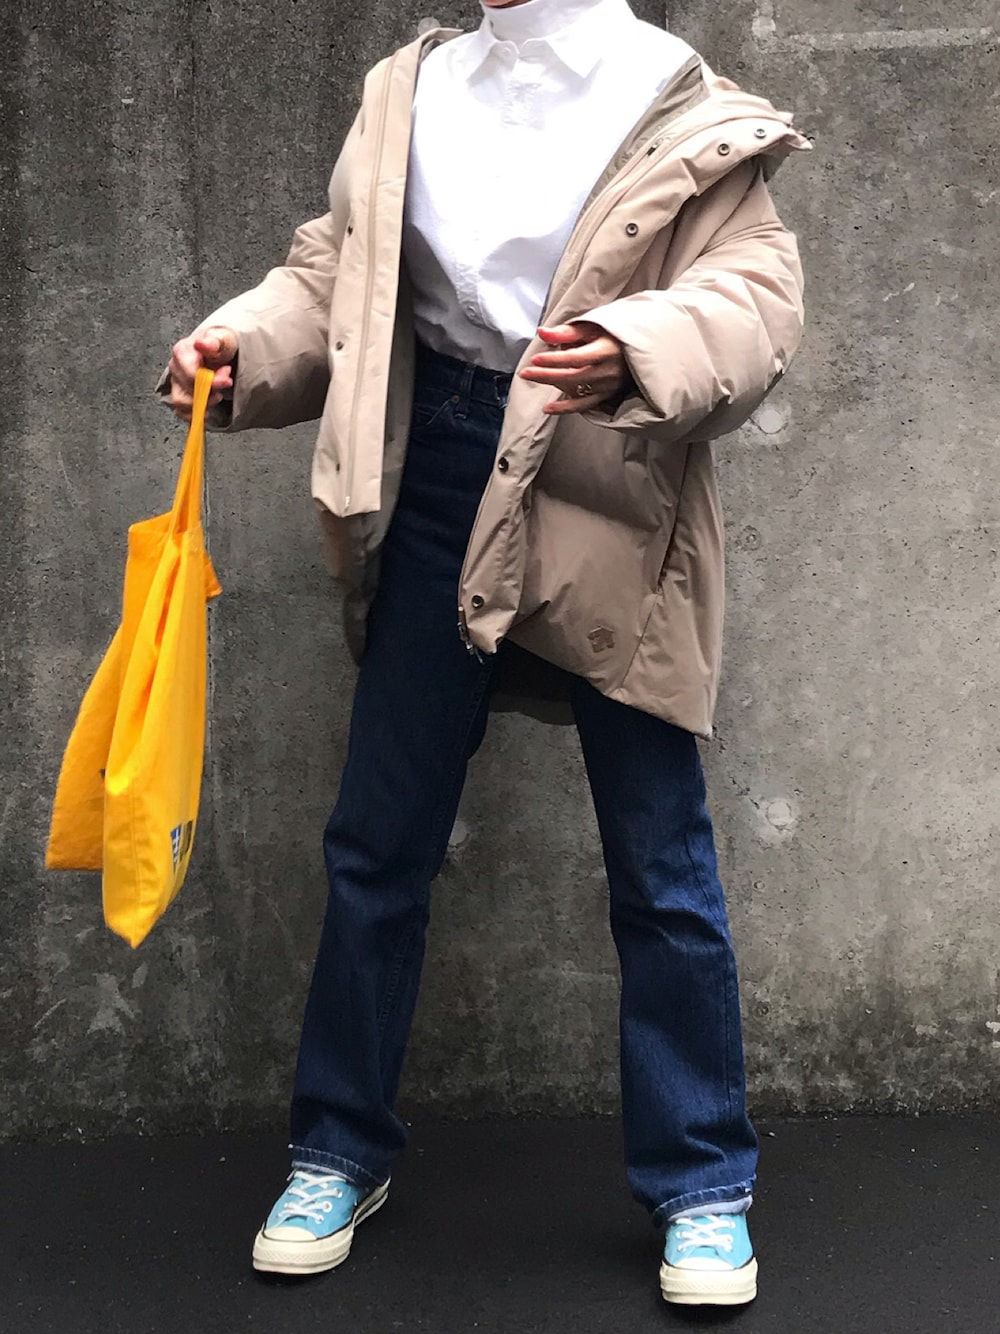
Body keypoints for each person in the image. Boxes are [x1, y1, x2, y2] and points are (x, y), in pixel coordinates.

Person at [164, 0, 808, 1307]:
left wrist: (634, 346)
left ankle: (701, 1180)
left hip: (608, 462)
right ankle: (336, 1147)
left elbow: (753, 297)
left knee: (660, 854)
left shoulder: (676, 95)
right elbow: (333, 276)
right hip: (442, 461)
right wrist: (240, 349)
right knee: (377, 839)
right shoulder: (412, 88)